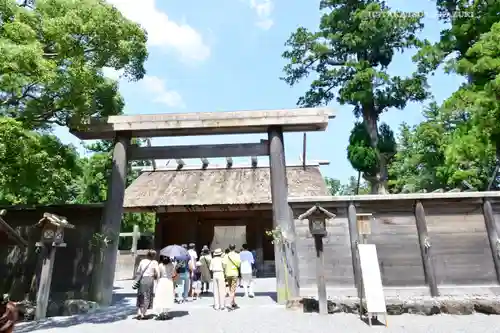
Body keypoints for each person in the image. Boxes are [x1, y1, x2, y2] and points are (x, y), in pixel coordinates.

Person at [135, 250, 159, 319]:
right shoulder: (154, 262)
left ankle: (139, 311)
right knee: (147, 295)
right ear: (154, 256)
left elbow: (138, 271)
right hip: (149, 279)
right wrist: (156, 278)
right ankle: (143, 313)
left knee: (141, 295)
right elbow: (157, 273)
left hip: (142, 279)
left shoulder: (142, 261)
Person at [154, 255, 175, 320]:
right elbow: (173, 274)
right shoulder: (171, 265)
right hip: (169, 281)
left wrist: (157, 283)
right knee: (168, 296)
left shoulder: (160, 265)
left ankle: (161, 312)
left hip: (162, 281)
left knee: (161, 296)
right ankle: (166, 313)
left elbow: (158, 275)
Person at [222, 244, 241, 309]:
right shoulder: (237, 255)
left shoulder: (226, 256)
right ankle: (230, 303)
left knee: (230, 288)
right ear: (235, 248)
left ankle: (233, 302)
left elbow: (224, 265)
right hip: (234, 273)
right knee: (233, 289)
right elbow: (239, 264)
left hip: (227, 273)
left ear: (229, 248)